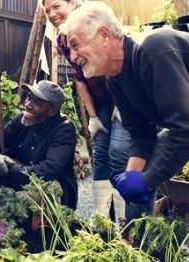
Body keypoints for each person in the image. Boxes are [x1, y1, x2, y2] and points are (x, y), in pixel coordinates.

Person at [60, 1, 189, 217]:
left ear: (104, 35)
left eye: (75, 45)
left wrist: (146, 182)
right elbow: (141, 134)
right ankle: (134, 240)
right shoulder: (114, 82)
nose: (72, 57)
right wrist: (132, 177)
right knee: (145, 166)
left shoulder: (155, 50)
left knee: (149, 175)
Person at [42, 0, 130, 221]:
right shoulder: (64, 37)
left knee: (118, 152)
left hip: (124, 96)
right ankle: (101, 218)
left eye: (56, 6)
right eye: (47, 11)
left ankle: (123, 221)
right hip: (101, 99)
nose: (52, 14)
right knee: (100, 152)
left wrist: (121, 103)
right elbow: (79, 77)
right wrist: (93, 117)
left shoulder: (93, 21)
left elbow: (119, 60)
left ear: (73, 2)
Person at [0, 80, 78, 209]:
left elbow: (48, 170)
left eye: (37, 103)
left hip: (52, 182)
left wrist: (9, 170)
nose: (28, 105)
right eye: (29, 98)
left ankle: (41, 225)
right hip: (23, 171)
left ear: (52, 111)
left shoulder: (64, 129)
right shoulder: (22, 118)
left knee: (38, 192)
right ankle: (2, 204)